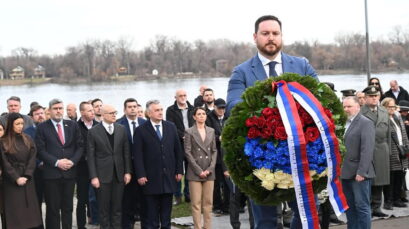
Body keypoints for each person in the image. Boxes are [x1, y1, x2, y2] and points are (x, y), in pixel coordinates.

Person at [226, 15, 317, 229]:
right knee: (266, 222)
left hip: (301, 158)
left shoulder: (302, 66)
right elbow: (233, 106)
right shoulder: (242, 71)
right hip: (261, 161)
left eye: (275, 33)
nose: (270, 38)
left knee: (306, 217)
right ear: (255, 37)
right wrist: (271, 113)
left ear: (281, 36)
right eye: (265, 33)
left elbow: (319, 98)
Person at [133, 100, 184, 229]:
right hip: (150, 179)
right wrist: (141, 174)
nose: (160, 112)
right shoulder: (141, 130)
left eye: (161, 109)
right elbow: (137, 156)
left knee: (166, 216)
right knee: (152, 217)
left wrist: (179, 170)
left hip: (169, 177)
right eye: (157, 110)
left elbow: (178, 150)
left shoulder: (170, 126)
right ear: (149, 113)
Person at [35, 98, 83, 229]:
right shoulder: (42, 127)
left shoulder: (72, 125)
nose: (58, 111)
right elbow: (40, 150)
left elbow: (80, 146)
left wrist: (72, 161)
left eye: (60, 108)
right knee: (53, 209)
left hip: (69, 173)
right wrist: (56, 162)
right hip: (51, 174)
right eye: (55, 109)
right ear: (49, 111)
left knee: (68, 208)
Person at [87, 104, 132, 229]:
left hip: (119, 175)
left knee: (117, 208)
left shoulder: (121, 129)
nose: (114, 115)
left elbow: (126, 153)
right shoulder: (93, 132)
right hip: (102, 176)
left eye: (115, 112)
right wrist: (94, 177)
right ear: (103, 115)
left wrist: (128, 172)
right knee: (104, 209)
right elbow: (90, 156)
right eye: (111, 113)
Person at [0, 112, 43, 229]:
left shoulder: (28, 139)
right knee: (14, 211)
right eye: (17, 124)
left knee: (30, 211)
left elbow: (32, 158)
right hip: (11, 181)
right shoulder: (3, 141)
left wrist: (27, 175)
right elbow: (4, 162)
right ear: (10, 125)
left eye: (22, 124)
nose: (20, 126)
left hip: (27, 179)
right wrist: (16, 178)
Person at [341, 96, 375, 229]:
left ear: (358, 107)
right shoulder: (343, 122)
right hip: (345, 172)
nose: (346, 109)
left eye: (349, 106)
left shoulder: (365, 122)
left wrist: (361, 172)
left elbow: (367, 150)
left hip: (359, 173)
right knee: (349, 207)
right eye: (344, 106)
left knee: (362, 207)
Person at [184, 107, 218, 229]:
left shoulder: (211, 131)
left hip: (209, 171)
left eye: (203, 114)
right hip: (195, 172)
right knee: (196, 203)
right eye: (199, 114)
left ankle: (207, 227)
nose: (202, 116)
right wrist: (199, 171)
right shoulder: (189, 132)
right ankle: (197, 227)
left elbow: (214, 151)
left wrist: (211, 168)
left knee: (208, 203)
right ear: (194, 117)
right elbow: (187, 152)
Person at [360, 86, 391, 218]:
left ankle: (377, 206)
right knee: (368, 180)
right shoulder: (361, 112)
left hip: (382, 148)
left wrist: (388, 149)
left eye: (376, 96)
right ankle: (367, 207)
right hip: (368, 150)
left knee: (380, 179)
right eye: (371, 96)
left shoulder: (384, 111)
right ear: (365, 98)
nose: (374, 98)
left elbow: (388, 132)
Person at [116, 98, 146, 228]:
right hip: (125, 168)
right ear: (125, 110)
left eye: (135, 106)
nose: (133, 109)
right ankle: (127, 225)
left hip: (143, 167)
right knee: (127, 199)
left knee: (144, 198)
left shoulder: (145, 123)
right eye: (130, 107)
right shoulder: (118, 124)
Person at [166, 89, 194, 205]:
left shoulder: (193, 108)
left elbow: (196, 123)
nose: (183, 97)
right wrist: (183, 135)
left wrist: (191, 136)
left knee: (190, 169)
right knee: (177, 169)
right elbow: (170, 125)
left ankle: (188, 194)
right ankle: (177, 195)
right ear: (175, 97)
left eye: (184, 95)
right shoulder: (170, 110)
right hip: (177, 142)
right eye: (180, 96)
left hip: (191, 142)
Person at [380, 98, 409, 210]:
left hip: (402, 150)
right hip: (391, 151)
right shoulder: (383, 119)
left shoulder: (398, 117)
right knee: (390, 177)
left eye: (393, 106)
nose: (392, 109)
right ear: (384, 107)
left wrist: (407, 146)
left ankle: (397, 199)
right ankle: (388, 201)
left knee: (400, 176)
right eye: (390, 107)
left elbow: (403, 133)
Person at [76, 101, 99, 229]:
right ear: (82, 112)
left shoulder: (98, 125)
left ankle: (99, 221)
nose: (93, 112)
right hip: (82, 168)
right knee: (82, 199)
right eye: (89, 110)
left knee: (100, 197)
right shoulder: (75, 126)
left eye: (92, 110)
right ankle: (80, 225)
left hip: (98, 168)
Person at [205, 98, 230, 215]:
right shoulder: (209, 118)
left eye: (223, 108)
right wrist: (217, 138)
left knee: (227, 182)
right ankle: (217, 205)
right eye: (219, 108)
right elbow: (207, 133)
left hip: (226, 154)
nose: (222, 110)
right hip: (214, 154)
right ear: (214, 107)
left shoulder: (227, 117)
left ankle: (227, 205)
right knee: (216, 182)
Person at [24, 104, 47, 219]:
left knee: (52, 201)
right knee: (37, 199)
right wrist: (39, 163)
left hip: (52, 169)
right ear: (32, 117)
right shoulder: (27, 132)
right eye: (37, 114)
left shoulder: (51, 128)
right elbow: (28, 153)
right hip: (36, 171)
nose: (40, 116)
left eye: (42, 113)